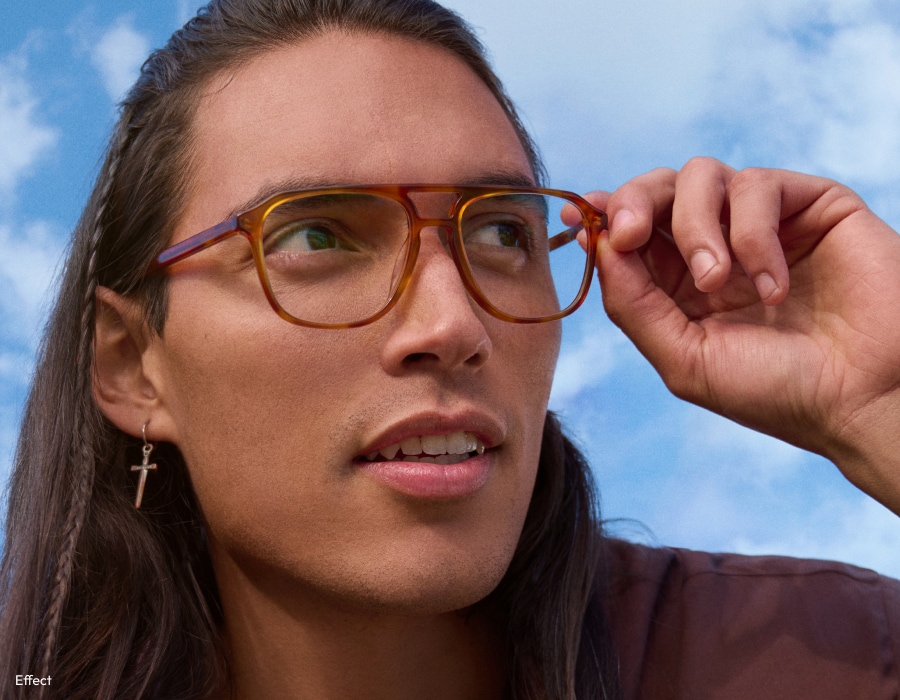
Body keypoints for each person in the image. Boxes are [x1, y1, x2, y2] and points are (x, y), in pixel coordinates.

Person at [1, 0, 898, 698]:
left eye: (500, 234)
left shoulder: (828, 654)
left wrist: (880, 406)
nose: (454, 325)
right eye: (315, 240)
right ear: (130, 365)